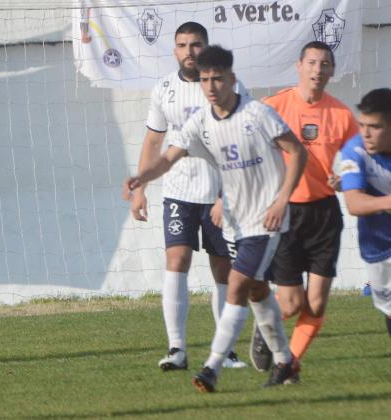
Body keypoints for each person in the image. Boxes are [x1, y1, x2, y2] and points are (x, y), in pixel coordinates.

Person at [123, 45, 308, 392]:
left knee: (236, 285)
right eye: (206, 80)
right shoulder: (201, 121)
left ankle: (211, 367)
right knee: (255, 290)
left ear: (232, 80)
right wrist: (142, 178)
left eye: (218, 79)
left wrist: (282, 199)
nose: (211, 86)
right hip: (237, 220)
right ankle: (285, 361)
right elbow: (169, 157)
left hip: (267, 219)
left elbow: (297, 152)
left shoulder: (257, 114)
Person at [129, 22, 247, 371]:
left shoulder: (228, 86)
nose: (189, 51)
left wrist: (231, 193)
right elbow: (153, 141)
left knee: (223, 269)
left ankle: (225, 349)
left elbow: (243, 139)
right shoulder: (164, 88)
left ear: (207, 47)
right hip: (179, 191)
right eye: (182, 45)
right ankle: (176, 348)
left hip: (222, 194)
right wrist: (141, 190)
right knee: (176, 260)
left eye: (195, 44)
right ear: (175, 50)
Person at [249, 41, 359, 375]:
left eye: (325, 64)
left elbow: (358, 159)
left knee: (317, 303)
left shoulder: (341, 114)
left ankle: (288, 367)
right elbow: (249, 148)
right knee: (292, 303)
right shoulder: (274, 106)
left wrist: (346, 179)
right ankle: (265, 326)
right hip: (285, 214)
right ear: (299, 66)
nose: (318, 70)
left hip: (324, 214)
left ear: (332, 71)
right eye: (312, 62)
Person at [340, 88, 391, 338]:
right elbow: (354, 204)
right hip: (377, 244)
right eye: (362, 125)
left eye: (375, 126)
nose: (366, 134)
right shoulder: (354, 150)